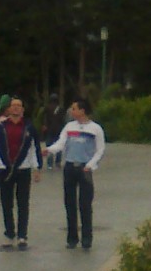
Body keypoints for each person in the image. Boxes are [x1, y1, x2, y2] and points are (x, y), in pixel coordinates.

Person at [43, 97, 106, 250]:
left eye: (74, 108)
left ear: (82, 110)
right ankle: (72, 238)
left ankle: (86, 237)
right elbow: (61, 143)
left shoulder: (95, 129)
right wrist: (49, 150)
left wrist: (91, 165)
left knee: (85, 204)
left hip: (85, 169)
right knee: (69, 203)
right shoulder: (69, 126)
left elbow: (100, 150)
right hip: (70, 167)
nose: (72, 111)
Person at [0, 96, 42, 249]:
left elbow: (34, 148)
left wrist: (37, 168)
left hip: (23, 169)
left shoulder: (29, 127)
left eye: (19, 105)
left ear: (22, 109)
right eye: (13, 105)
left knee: (23, 202)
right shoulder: (1, 127)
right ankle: (9, 233)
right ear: (8, 109)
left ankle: (22, 236)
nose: (16, 108)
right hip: (4, 168)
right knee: (6, 202)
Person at [42, 93, 65, 170]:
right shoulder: (60, 109)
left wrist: (44, 125)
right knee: (59, 147)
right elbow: (63, 120)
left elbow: (44, 118)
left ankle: (49, 164)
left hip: (49, 130)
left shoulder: (47, 108)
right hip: (59, 130)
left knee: (49, 147)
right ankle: (58, 162)